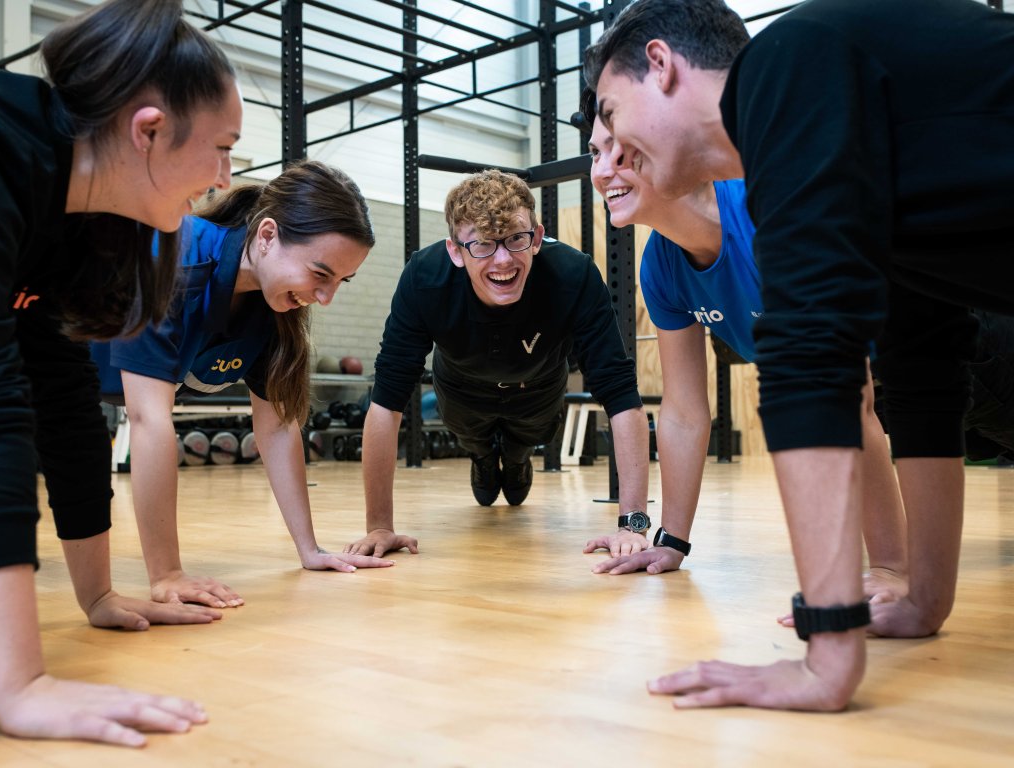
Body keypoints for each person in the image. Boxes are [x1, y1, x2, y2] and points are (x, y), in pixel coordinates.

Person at [585, 0, 1014, 712]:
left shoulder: (786, 66)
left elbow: (816, 358)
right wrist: (925, 601)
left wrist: (828, 652)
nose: (614, 147)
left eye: (610, 110)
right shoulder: (826, 141)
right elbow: (922, 361)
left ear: (659, 66)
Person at [0, 0, 242, 746]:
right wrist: (20, 687)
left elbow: (64, 401)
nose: (225, 177)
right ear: (150, 130)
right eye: (223, 148)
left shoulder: (67, 213)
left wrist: (96, 593)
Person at [578, 92, 907, 603]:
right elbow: (685, 412)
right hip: (892, 386)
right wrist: (671, 543)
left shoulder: (768, 213)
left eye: (617, 152)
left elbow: (849, 403)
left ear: (668, 144)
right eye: (596, 155)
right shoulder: (660, 268)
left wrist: (888, 568)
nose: (601, 172)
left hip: (963, 355)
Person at [90, 161, 394, 609]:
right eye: (320, 274)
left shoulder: (273, 306)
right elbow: (148, 418)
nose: (326, 299)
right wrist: (168, 574)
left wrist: (308, 550)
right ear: (267, 236)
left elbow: (276, 428)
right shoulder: (178, 257)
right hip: (30, 356)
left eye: (341, 282)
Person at [344, 169, 651, 559]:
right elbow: (386, 402)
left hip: (538, 388)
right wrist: (379, 527)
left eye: (515, 240)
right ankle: (484, 457)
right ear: (455, 251)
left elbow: (621, 394)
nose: (503, 259)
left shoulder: (573, 275)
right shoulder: (424, 278)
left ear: (536, 238)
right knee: (481, 462)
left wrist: (634, 523)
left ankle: (518, 458)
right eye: (483, 245)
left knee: (524, 445)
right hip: (460, 389)